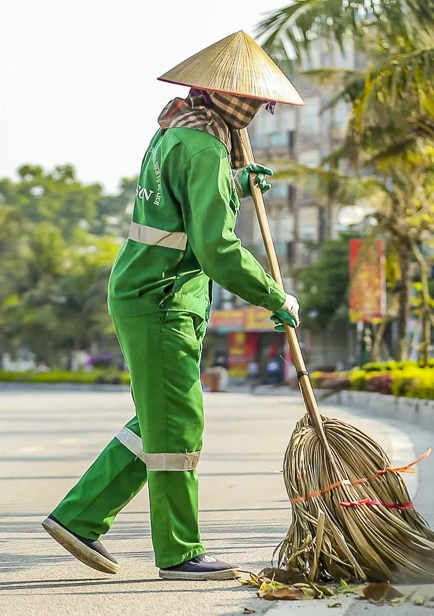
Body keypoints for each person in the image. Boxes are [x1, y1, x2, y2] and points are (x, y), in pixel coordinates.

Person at [41, 32, 305, 580]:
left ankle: (80, 517)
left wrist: (233, 178)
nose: (257, 113)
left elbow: (182, 203)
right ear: (235, 101)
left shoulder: (175, 132)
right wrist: (272, 295)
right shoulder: (206, 148)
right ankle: (180, 552)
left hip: (146, 292)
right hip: (161, 299)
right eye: (255, 104)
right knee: (177, 428)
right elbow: (217, 249)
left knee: (156, 422)